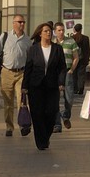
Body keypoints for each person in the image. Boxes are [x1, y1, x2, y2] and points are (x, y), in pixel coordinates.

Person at [24, 21, 66, 150]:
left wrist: (61, 82)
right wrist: (24, 87)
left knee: (51, 113)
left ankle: (46, 136)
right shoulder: (33, 49)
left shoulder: (57, 49)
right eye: (45, 31)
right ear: (40, 34)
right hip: (35, 86)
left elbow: (62, 68)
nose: (48, 33)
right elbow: (28, 68)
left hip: (52, 86)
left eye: (49, 31)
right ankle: (40, 142)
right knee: (37, 114)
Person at [0, 14, 32, 139]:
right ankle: (9, 127)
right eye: (19, 22)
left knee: (22, 100)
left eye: (23, 22)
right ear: (13, 23)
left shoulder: (27, 40)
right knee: (8, 102)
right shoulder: (5, 36)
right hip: (6, 72)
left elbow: (30, 59)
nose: (22, 24)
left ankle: (23, 125)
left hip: (21, 73)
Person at [66, 23, 90, 124]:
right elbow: (87, 49)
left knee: (74, 74)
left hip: (74, 58)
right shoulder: (85, 38)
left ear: (74, 29)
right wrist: (87, 58)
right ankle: (80, 89)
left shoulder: (72, 37)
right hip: (83, 59)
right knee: (81, 74)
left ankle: (75, 88)